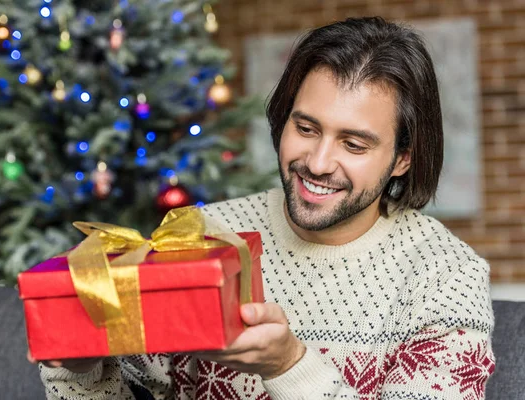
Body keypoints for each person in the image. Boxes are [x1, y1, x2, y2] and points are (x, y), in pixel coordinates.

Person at [29, 16, 496, 399]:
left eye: (354, 144)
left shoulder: (446, 277)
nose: (316, 163)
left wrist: (288, 366)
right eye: (307, 128)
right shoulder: (208, 231)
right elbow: (116, 382)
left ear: (402, 159)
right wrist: (80, 366)